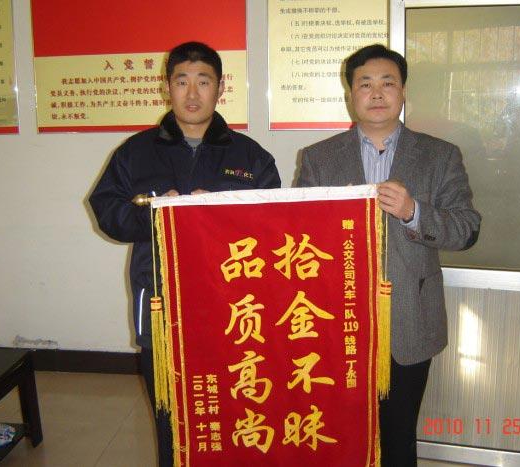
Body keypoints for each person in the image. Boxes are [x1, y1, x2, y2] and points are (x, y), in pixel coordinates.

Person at [89, 41, 280, 467]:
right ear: (167, 87)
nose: (192, 94)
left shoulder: (251, 156)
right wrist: (156, 216)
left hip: (234, 308)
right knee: (169, 414)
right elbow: (107, 211)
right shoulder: (135, 152)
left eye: (203, 82)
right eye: (182, 82)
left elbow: (272, 228)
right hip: (161, 301)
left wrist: (219, 215)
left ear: (220, 88)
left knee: (233, 405)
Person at [297, 44, 481, 466]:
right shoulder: (319, 158)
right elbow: (301, 236)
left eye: (387, 83)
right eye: (365, 84)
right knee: (341, 432)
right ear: (351, 95)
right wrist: (330, 219)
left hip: (409, 319)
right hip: (338, 322)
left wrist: (414, 211)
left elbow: (467, 229)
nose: (376, 93)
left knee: (398, 437)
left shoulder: (440, 155)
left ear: (403, 92)